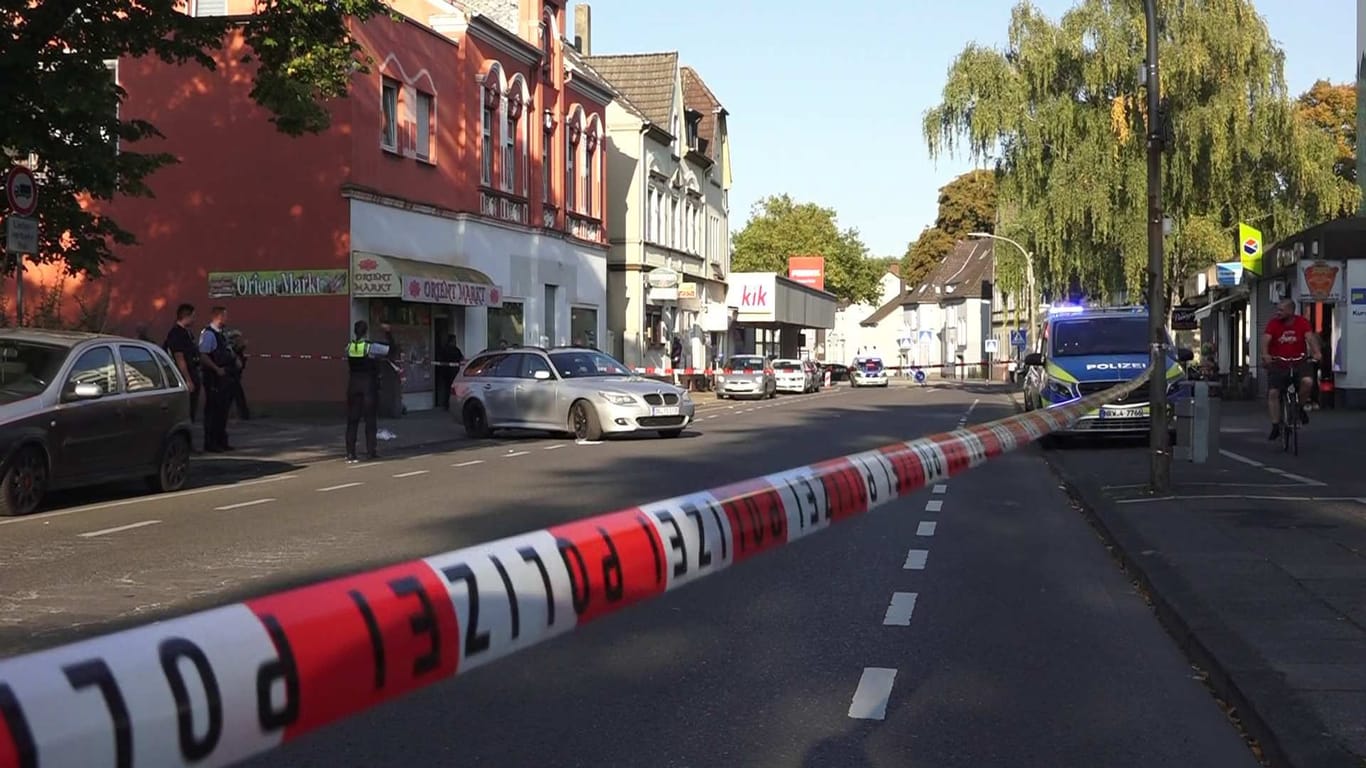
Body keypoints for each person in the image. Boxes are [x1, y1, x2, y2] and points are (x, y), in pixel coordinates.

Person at [1260, 298, 1322, 441]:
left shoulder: (1302, 322)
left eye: (1281, 310)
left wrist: (1316, 352)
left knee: (1307, 382)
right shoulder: (1273, 323)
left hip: (1298, 361)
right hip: (1278, 362)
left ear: (1290, 311)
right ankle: (1276, 425)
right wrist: (1265, 355)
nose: (1278, 312)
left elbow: (1310, 338)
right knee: (1274, 392)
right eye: (1278, 309)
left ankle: (1298, 407)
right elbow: (1266, 340)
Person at [346, 320, 394, 462]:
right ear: (366, 331)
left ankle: (350, 453)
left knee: (352, 420)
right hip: (368, 386)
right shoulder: (370, 347)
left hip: (353, 385)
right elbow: (391, 350)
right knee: (370, 420)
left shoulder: (348, 347)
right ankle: (370, 451)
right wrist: (388, 333)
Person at [198, 306, 238, 452]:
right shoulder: (208, 334)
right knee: (213, 411)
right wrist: (216, 368)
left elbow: (226, 350)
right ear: (218, 317)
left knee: (223, 410)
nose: (227, 319)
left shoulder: (221, 334)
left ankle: (221, 440)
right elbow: (203, 355)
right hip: (214, 378)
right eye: (225, 316)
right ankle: (211, 443)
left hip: (224, 377)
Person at [163, 303, 201, 424]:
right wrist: (187, 380)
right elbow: (179, 357)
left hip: (192, 372)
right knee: (186, 410)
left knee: (193, 407)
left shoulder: (187, 333)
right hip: (184, 376)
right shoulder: (177, 333)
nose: (195, 319)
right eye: (193, 316)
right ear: (186, 316)